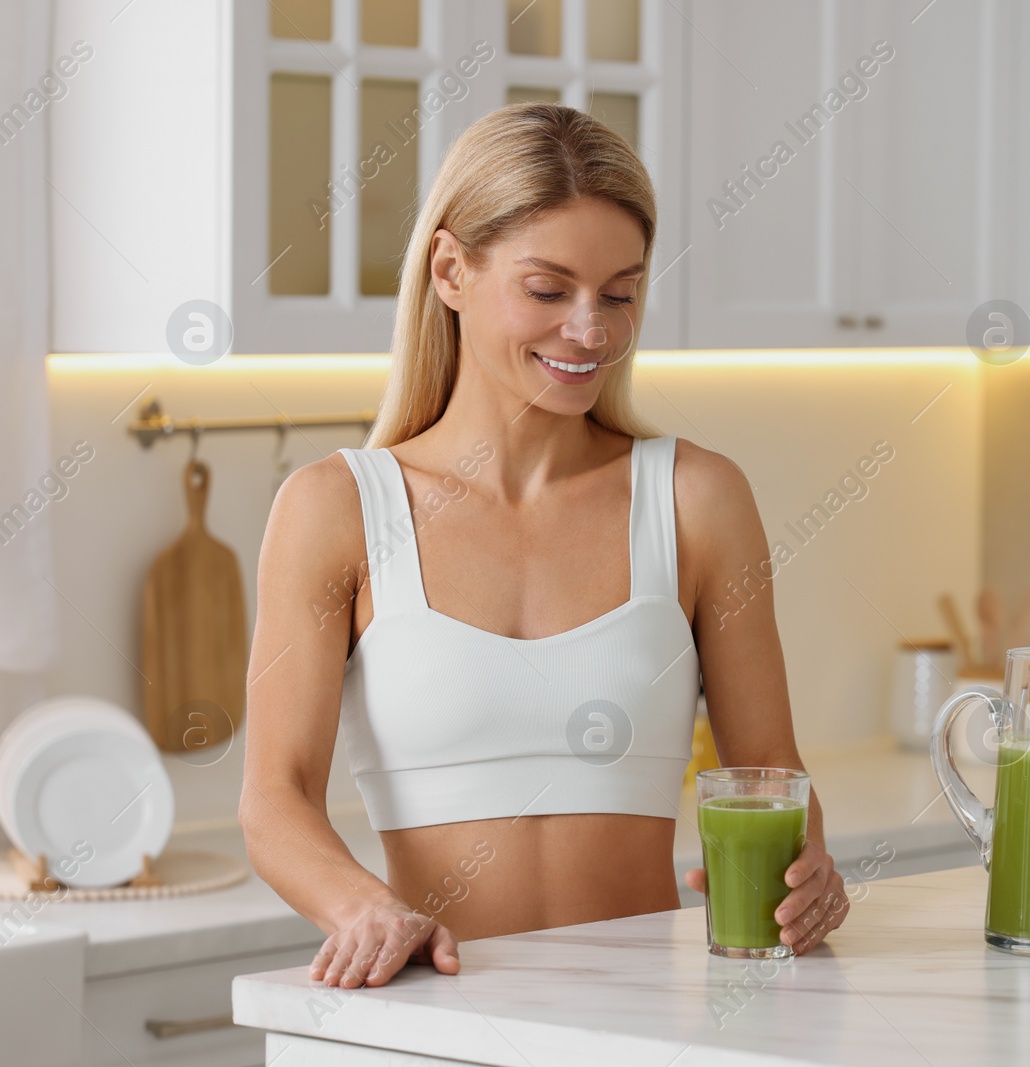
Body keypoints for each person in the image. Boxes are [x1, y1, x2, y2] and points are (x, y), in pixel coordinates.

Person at [240, 103, 848, 989]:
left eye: (620, 292)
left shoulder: (695, 499)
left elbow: (773, 777)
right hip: (440, 1018)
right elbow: (273, 799)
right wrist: (361, 905)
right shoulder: (337, 509)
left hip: (646, 1023)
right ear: (450, 269)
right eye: (548, 289)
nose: (591, 329)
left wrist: (811, 878)